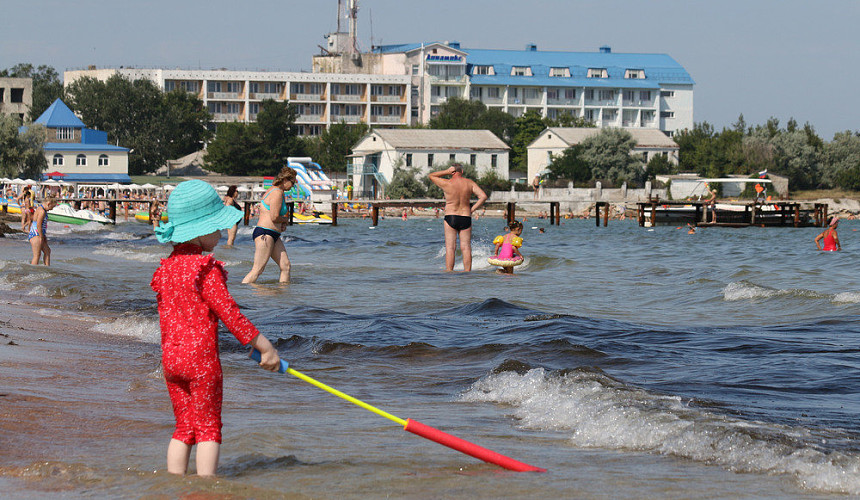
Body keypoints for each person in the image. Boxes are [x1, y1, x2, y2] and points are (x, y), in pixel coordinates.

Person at [151, 179, 281, 476]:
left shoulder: (165, 269)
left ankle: (175, 485)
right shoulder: (206, 269)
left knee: (184, 426)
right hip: (201, 361)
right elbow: (231, 316)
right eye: (217, 227)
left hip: (171, 360)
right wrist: (265, 347)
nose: (222, 234)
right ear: (200, 231)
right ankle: (206, 487)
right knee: (208, 427)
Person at [428, 164, 488, 272]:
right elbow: (483, 196)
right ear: (462, 171)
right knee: (466, 247)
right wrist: (472, 209)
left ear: (452, 172)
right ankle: (467, 273)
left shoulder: (447, 183)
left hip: (451, 216)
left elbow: (431, 176)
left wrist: (446, 171)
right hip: (465, 216)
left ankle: (449, 272)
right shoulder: (469, 183)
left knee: (450, 248)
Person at [243, 167, 297, 283]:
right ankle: (243, 295)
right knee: (257, 269)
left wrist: (282, 222)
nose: (293, 186)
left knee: (285, 266)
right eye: (293, 182)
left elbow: (275, 217)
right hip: (265, 233)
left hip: (273, 234)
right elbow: (274, 217)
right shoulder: (276, 192)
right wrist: (285, 220)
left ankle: (282, 295)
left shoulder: (279, 192)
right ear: (285, 180)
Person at [28, 196, 57, 266]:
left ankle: (47, 268)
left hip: (39, 234)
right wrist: (41, 237)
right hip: (36, 235)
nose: (51, 209)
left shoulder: (41, 209)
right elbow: (38, 225)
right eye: (52, 207)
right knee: (37, 255)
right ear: (49, 203)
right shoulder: (42, 211)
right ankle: (33, 272)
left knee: (47, 251)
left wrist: (43, 236)